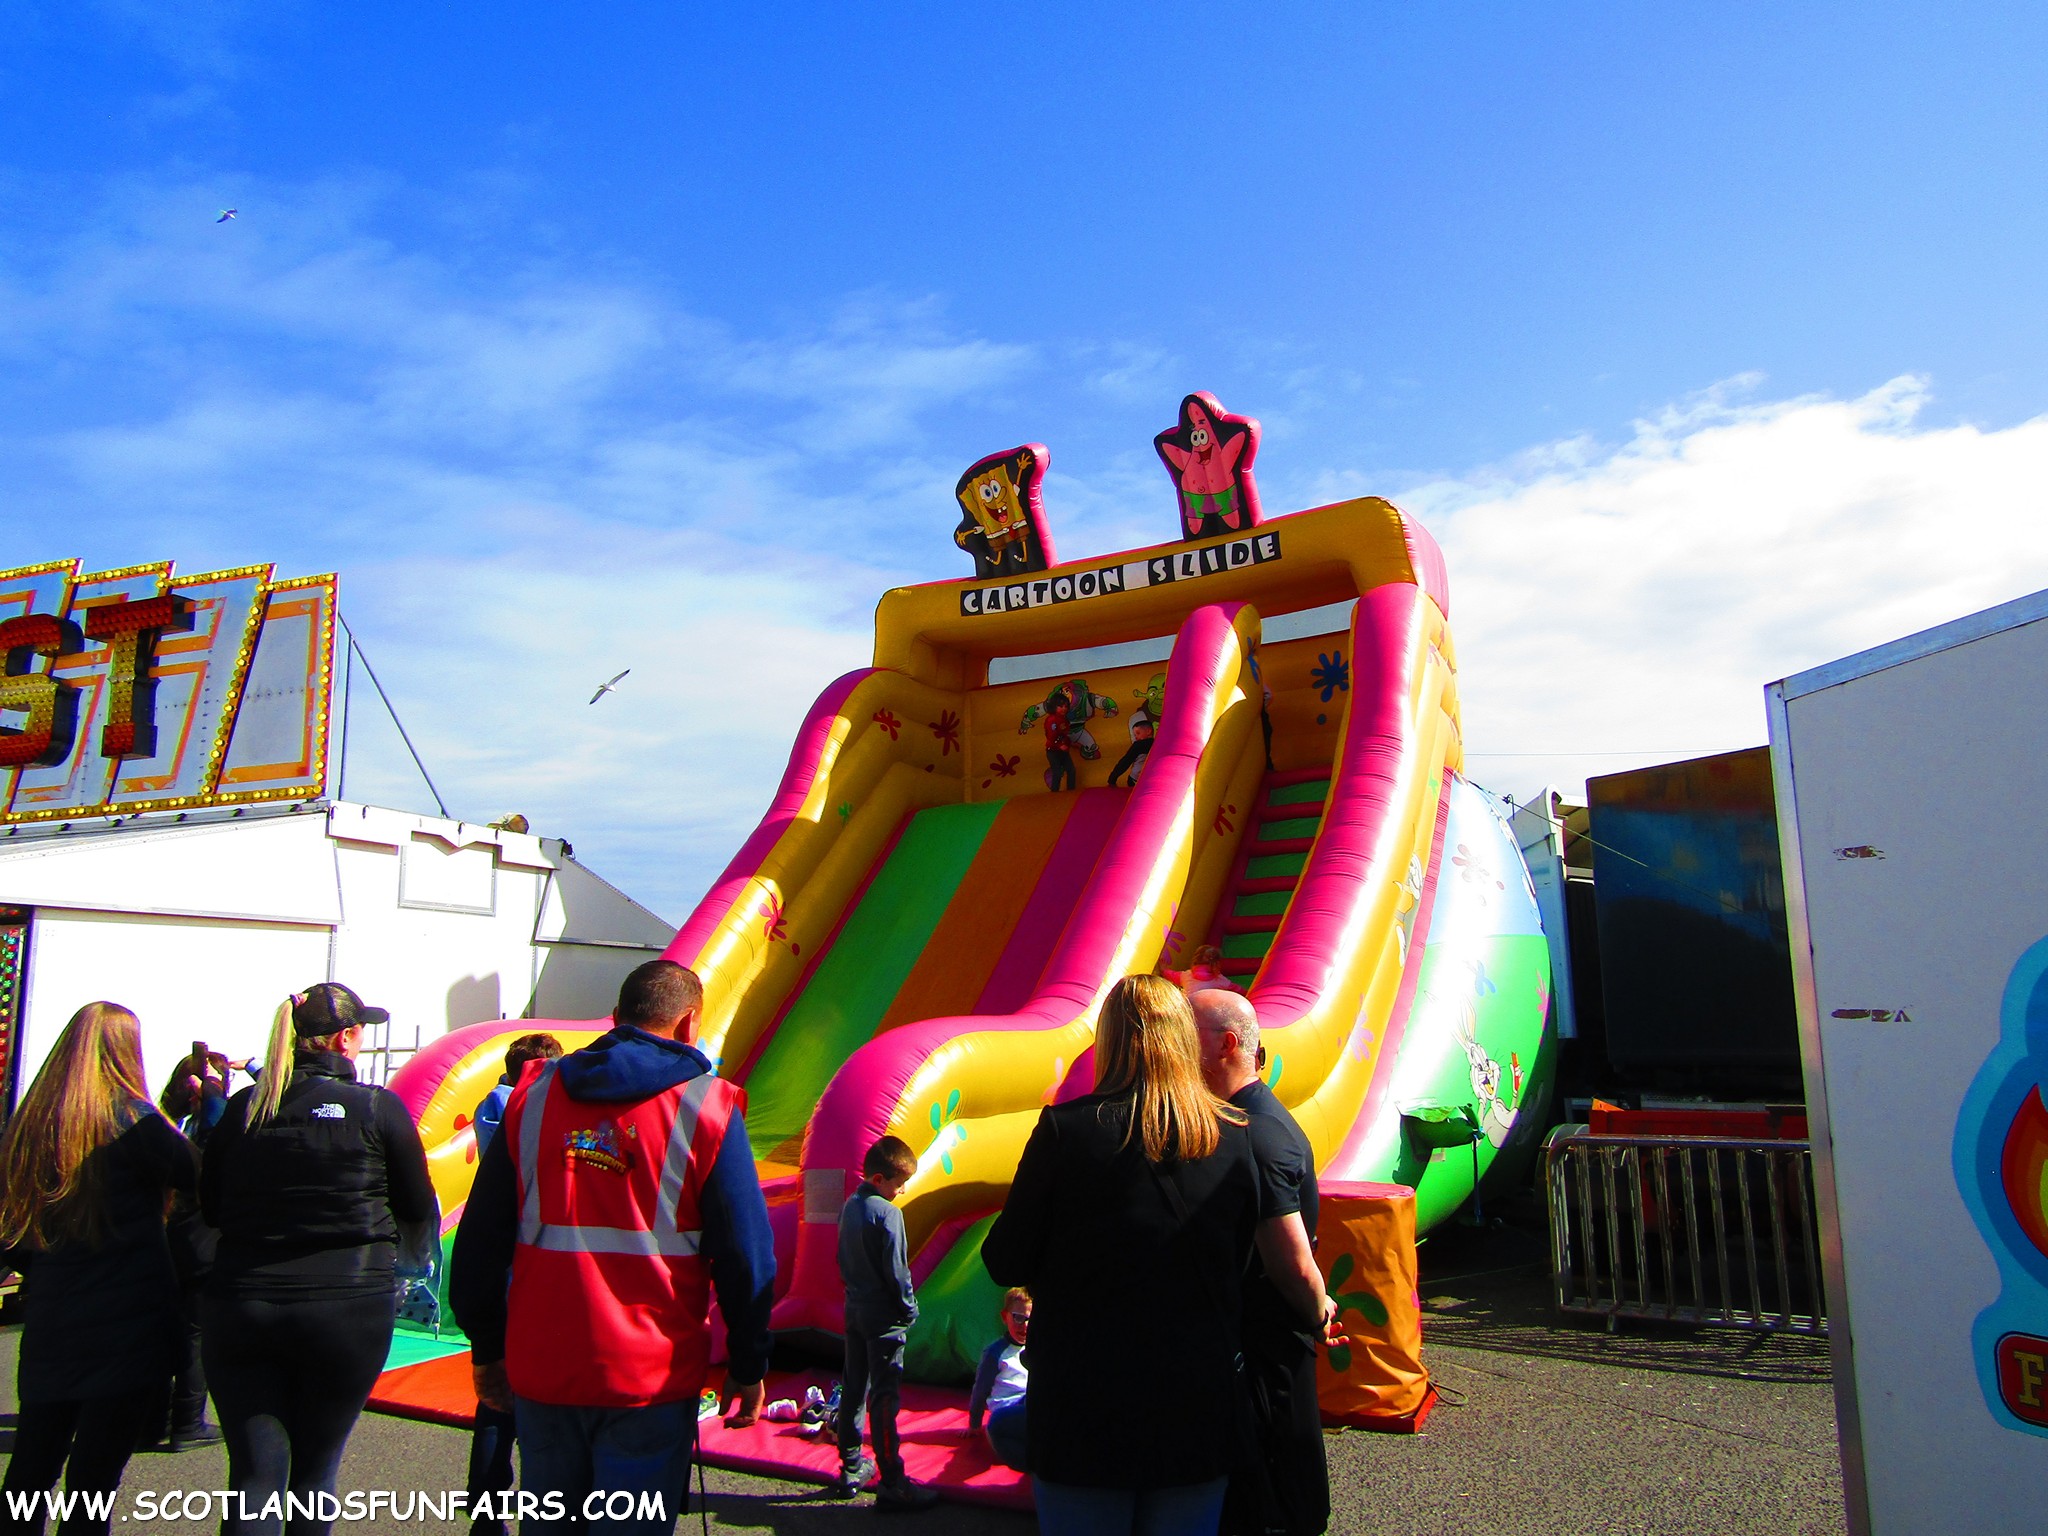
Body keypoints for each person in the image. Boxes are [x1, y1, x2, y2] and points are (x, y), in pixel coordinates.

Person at [982, 974, 1335, 1535]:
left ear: (1110, 1040)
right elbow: (1260, 1259)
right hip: (1198, 1398)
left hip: (1086, 1398)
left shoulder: (1066, 1131)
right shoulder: (1238, 1137)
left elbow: (1006, 1259)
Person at [450, 961, 774, 1536]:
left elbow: (480, 1240)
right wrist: (748, 1364)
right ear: (689, 1023)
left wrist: (485, 1348)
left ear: (616, 1016)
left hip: (545, 1368)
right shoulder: (709, 1108)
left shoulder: (535, 1096)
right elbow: (747, 1258)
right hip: (649, 1377)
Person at [201, 983, 439, 1536]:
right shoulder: (376, 1108)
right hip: (348, 1305)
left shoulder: (244, 1108)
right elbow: (416, 1206)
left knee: (255, 1477)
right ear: (346, 1037)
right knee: (314, 1474)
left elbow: (211, 1206)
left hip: (243, 1300)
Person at [0, 1003, 200, 1536]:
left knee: (31, 1467)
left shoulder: (33, 1119)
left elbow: (9, 1229)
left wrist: (44, 1268)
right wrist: (186, 1112)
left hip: (54, 1313)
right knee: (93, 1480)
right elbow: (193, 1173)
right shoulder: (135, 1119)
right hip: (128, 1318)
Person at [1192, 989, 1331, 1536]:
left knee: (1277, 1485)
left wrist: (1318, 1309)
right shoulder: (1246, 1120)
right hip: (1260, 1339)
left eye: (1187, 1034)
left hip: (1267, 1343)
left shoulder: (1257, 1133)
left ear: (1227, 1044)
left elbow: (1291, 1260)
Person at [462, 1033, 562, 1536]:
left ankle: (485, 1512)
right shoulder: (534, 1109)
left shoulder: (492, 1104)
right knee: (531, 1409)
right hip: (530, 1264)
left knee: (496, 1406)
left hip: (502, 1261)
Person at [833, 1137, 938, 1510]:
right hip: (883, 1317)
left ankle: (849, 1467)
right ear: (879, 1179)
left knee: (853, 1386)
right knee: (884, 1396)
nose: (902, 1190)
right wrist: (908, 1308)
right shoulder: (887, 1213)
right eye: (898, 1183)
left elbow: (839, 1256)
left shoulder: (850, 1205)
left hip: (854, 1308)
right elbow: (897, 1270)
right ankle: (892, 1479)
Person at [148, 1047, 239, 1453]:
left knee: (162, 1331)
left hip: (161, 1244)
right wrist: (216, 1089)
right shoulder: (198, 1129)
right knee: (192, 1337)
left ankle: (152, 1418)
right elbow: (215, 1142)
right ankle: (186, 1420)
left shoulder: (156, 1123)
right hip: (197, 1243)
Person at [965, 1288, 1030, 1472]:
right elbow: (981, 1390)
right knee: (998, 1429)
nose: (1023, 1325)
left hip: (1027, 1403)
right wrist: (975, 1424)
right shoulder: (995, 1353)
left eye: (1028, 1319)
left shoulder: (1037, 1347)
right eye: (1018, 1318)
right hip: (1009, 1407)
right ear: (1005, 1317)